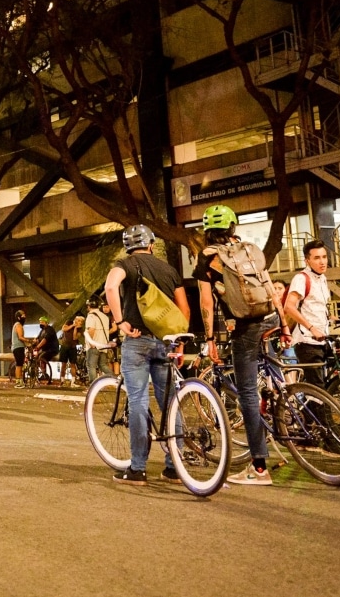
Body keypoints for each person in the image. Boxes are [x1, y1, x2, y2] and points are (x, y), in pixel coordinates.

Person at [195, 205, 286, 487]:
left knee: (246, 392)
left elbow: (206, 301)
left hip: (244, 326)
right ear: (233, 227)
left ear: (207, 231)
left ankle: (259, 466)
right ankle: (281, 403)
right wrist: (284, 324)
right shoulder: (249, 249)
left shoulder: (209, 257)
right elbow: (269, 286)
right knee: (269, 375)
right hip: (269, 317)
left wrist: (210, 339)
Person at [105, 224, 192, 485]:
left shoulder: (126, 264)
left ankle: (138, 469)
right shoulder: (169, 270)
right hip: (166, 342)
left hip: (137, 341)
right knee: (171, 404)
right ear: (151, 244)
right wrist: (179, 342)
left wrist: (120, 321)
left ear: (128, 246)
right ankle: (174, 467)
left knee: (139, 401)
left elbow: (111, 287)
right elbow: (183, 309)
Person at [283, 240, 331, 387]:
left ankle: (307, 408)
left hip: (322, 339)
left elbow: (316, 308)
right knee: (318, 388)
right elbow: (289, 307)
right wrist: (312, 328)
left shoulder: (322, 278)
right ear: (307, 260)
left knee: (321, 386)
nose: (322, 261)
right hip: (307, 340)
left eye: (324, 257)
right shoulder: (301, 278)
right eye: (317, 258)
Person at [83, 297, 118, 384]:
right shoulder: (105, 317)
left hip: (94, 345)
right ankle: (115, 380)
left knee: (91, 366)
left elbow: (91, 330)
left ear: (88, 306)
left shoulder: (91, 316)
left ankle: (93, 385)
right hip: (103, 345)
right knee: (103, 365)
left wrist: (90, 343)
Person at [32, 317, 59, 383]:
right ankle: (40, 373)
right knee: (35, 356)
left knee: (41, 357)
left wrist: (37, 347)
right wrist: (34, 341)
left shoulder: (50, 329)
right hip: (45, 349)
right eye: (40, 322)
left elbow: (45, 340)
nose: (41, 324)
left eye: (42, 322)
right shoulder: (42, 330)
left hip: (52, 349)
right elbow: (38, 338)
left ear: (46, 323)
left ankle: (44, 374)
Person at [57, 315, 81, 386]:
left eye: (79, 321)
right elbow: (64, 329)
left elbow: (75, 337)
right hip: (64, 346)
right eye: (77, 320)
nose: (78, 322)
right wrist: (73, 325)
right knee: (63, 364)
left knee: (72, 364)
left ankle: (73, 382)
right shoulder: (69, 322)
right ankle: (62, 381)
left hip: (73, 347)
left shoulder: (80, 328)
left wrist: (76, 328)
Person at [11, 309, 31, 387]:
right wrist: (28, 340)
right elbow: (20, 337)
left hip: (18, 347)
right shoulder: (18, 325)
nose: (24, 317)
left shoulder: (17, 325)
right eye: (23, 315)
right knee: (19, 365)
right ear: (19, 317)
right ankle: (18, 382)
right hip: (18, 347)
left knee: (19, 364)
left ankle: (19, 381)